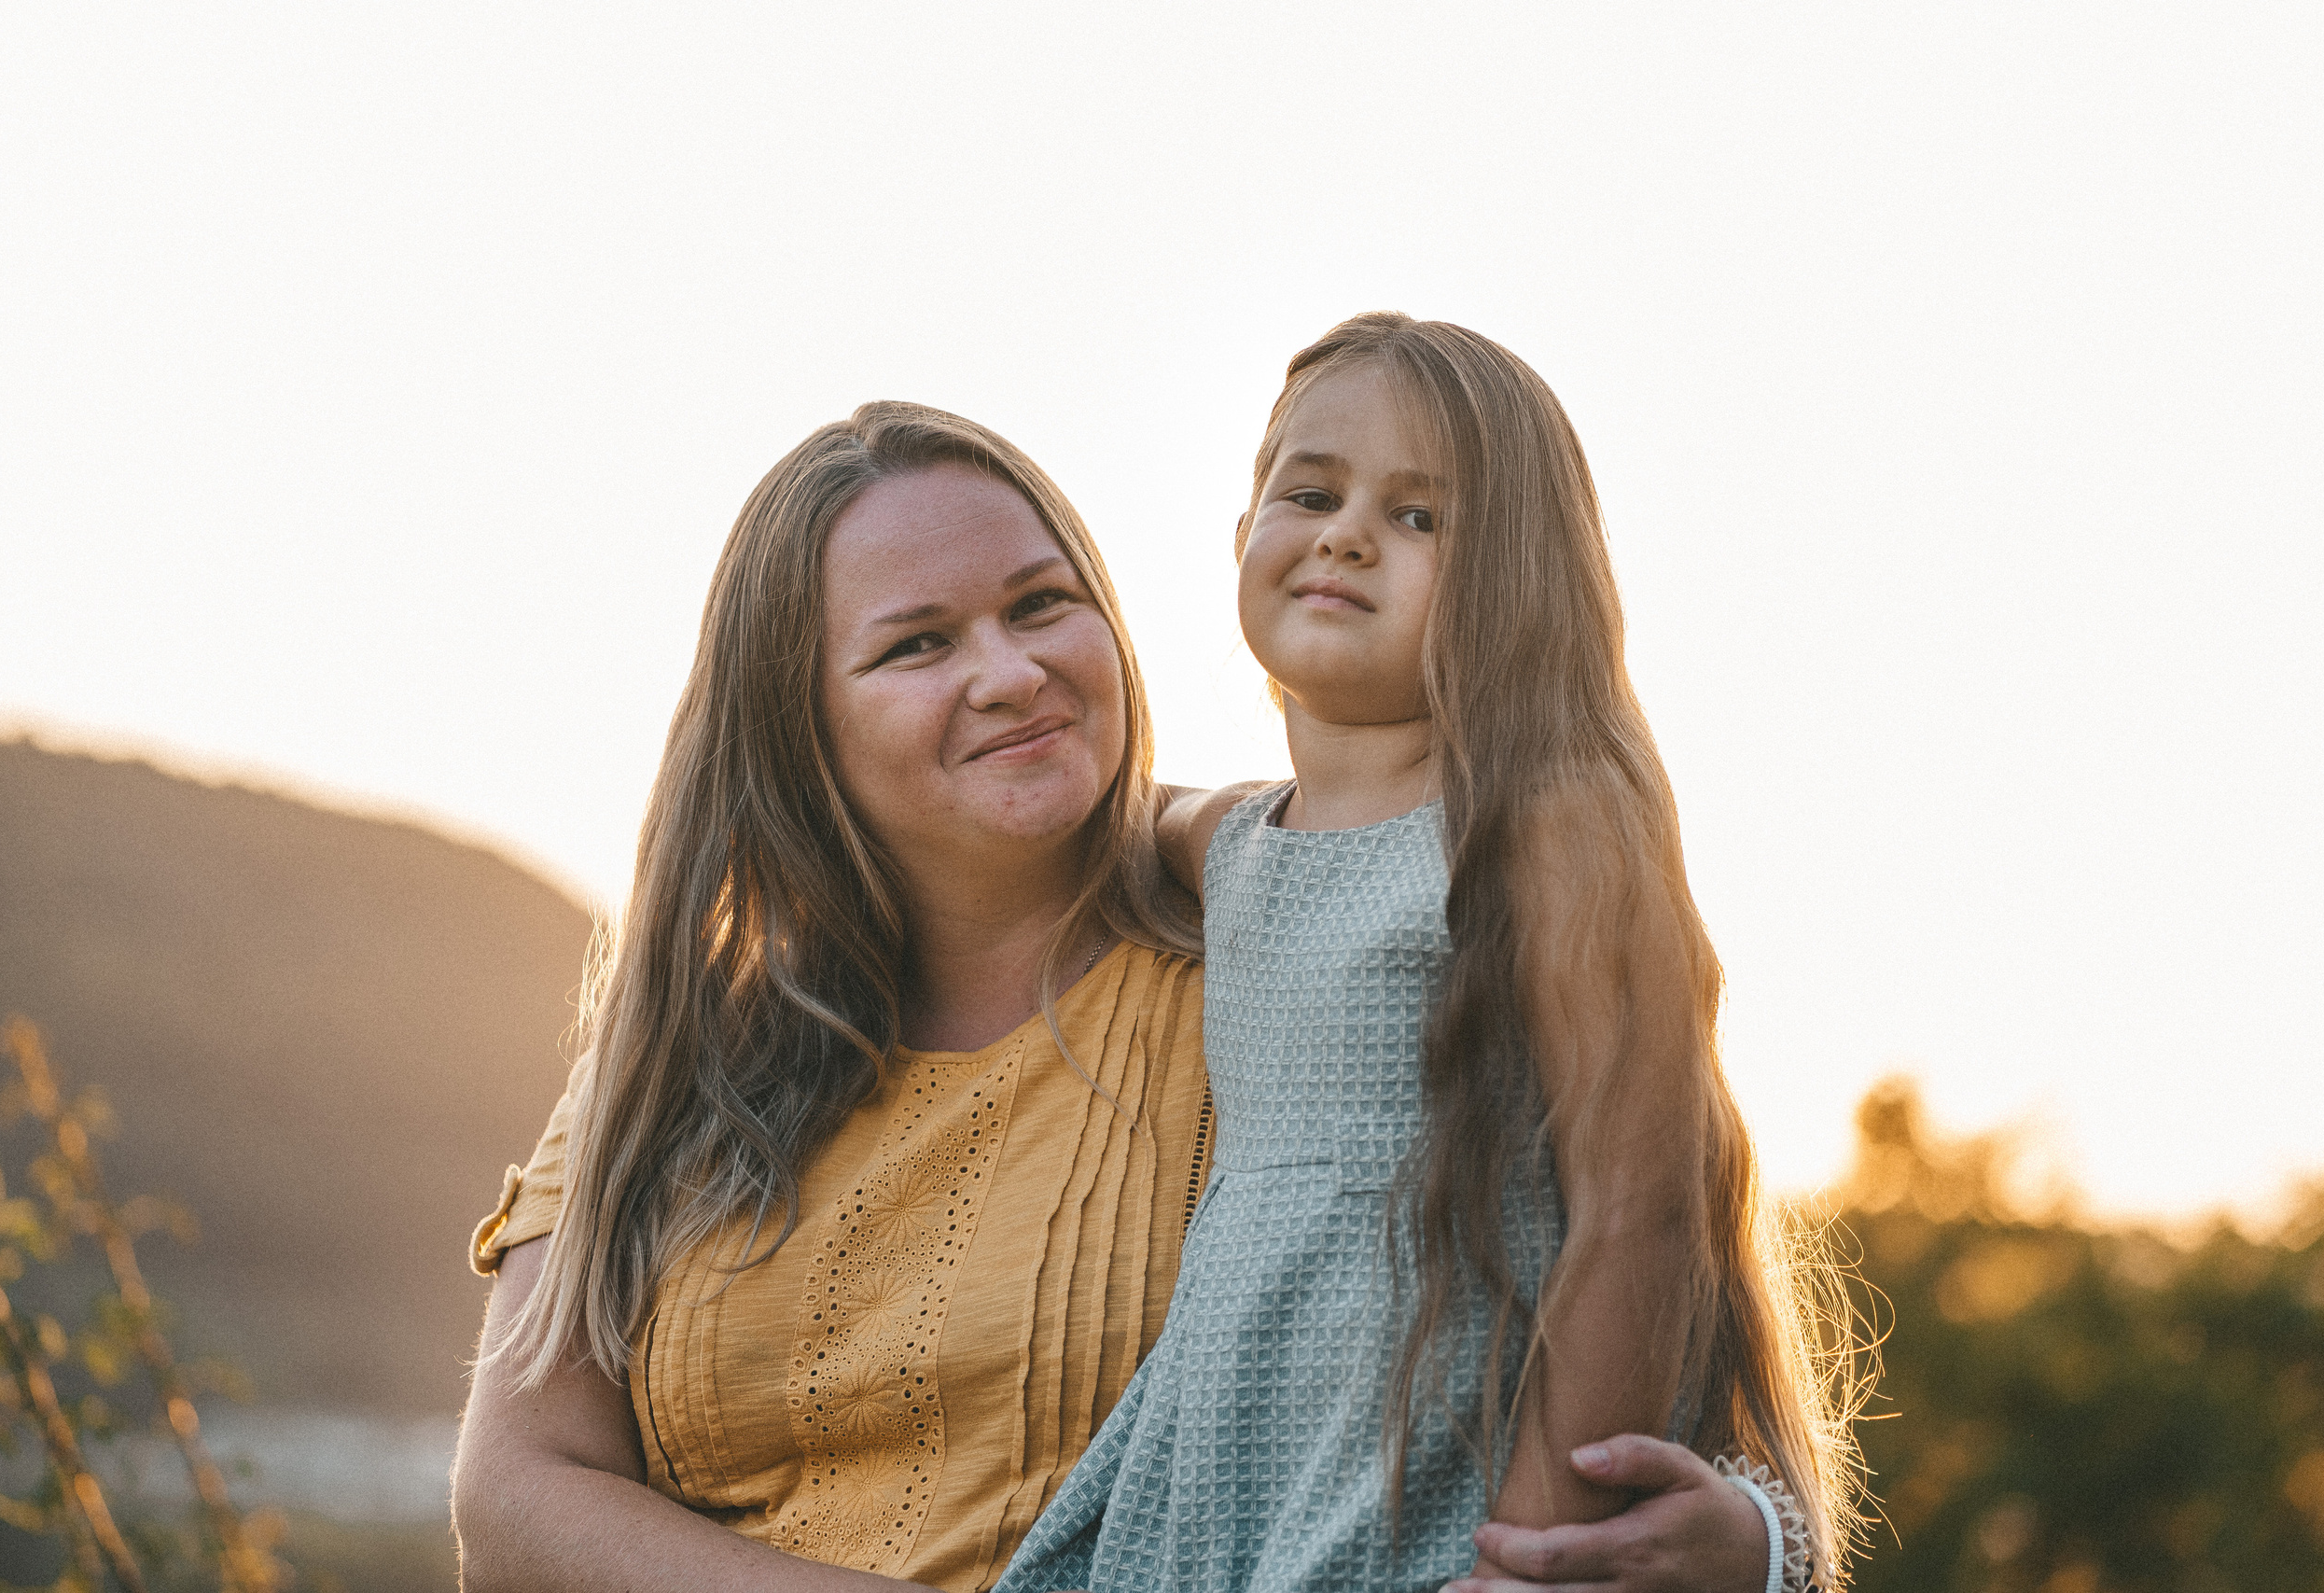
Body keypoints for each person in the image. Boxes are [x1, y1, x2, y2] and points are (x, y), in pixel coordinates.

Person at [451, 399, 1809, 1593]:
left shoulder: (1295, 970)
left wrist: (1753, 1550)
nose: (1009, 672)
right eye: (918, 645)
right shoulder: (684, 1054)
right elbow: (512, 1505)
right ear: (796, 725)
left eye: (1043, 605)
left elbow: (1625, 1281)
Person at [996, 314, 1858, 1593]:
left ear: (1520, 582)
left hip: (1429, 1482)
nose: (1346, 532)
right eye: (1311, 491)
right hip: (1222, 1474)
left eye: (1420, 518)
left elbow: (1639, 1204)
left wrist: (1538, 1550)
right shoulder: (1233, 846)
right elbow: (1131, 814)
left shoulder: (1545, 829)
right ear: (1242, 540)